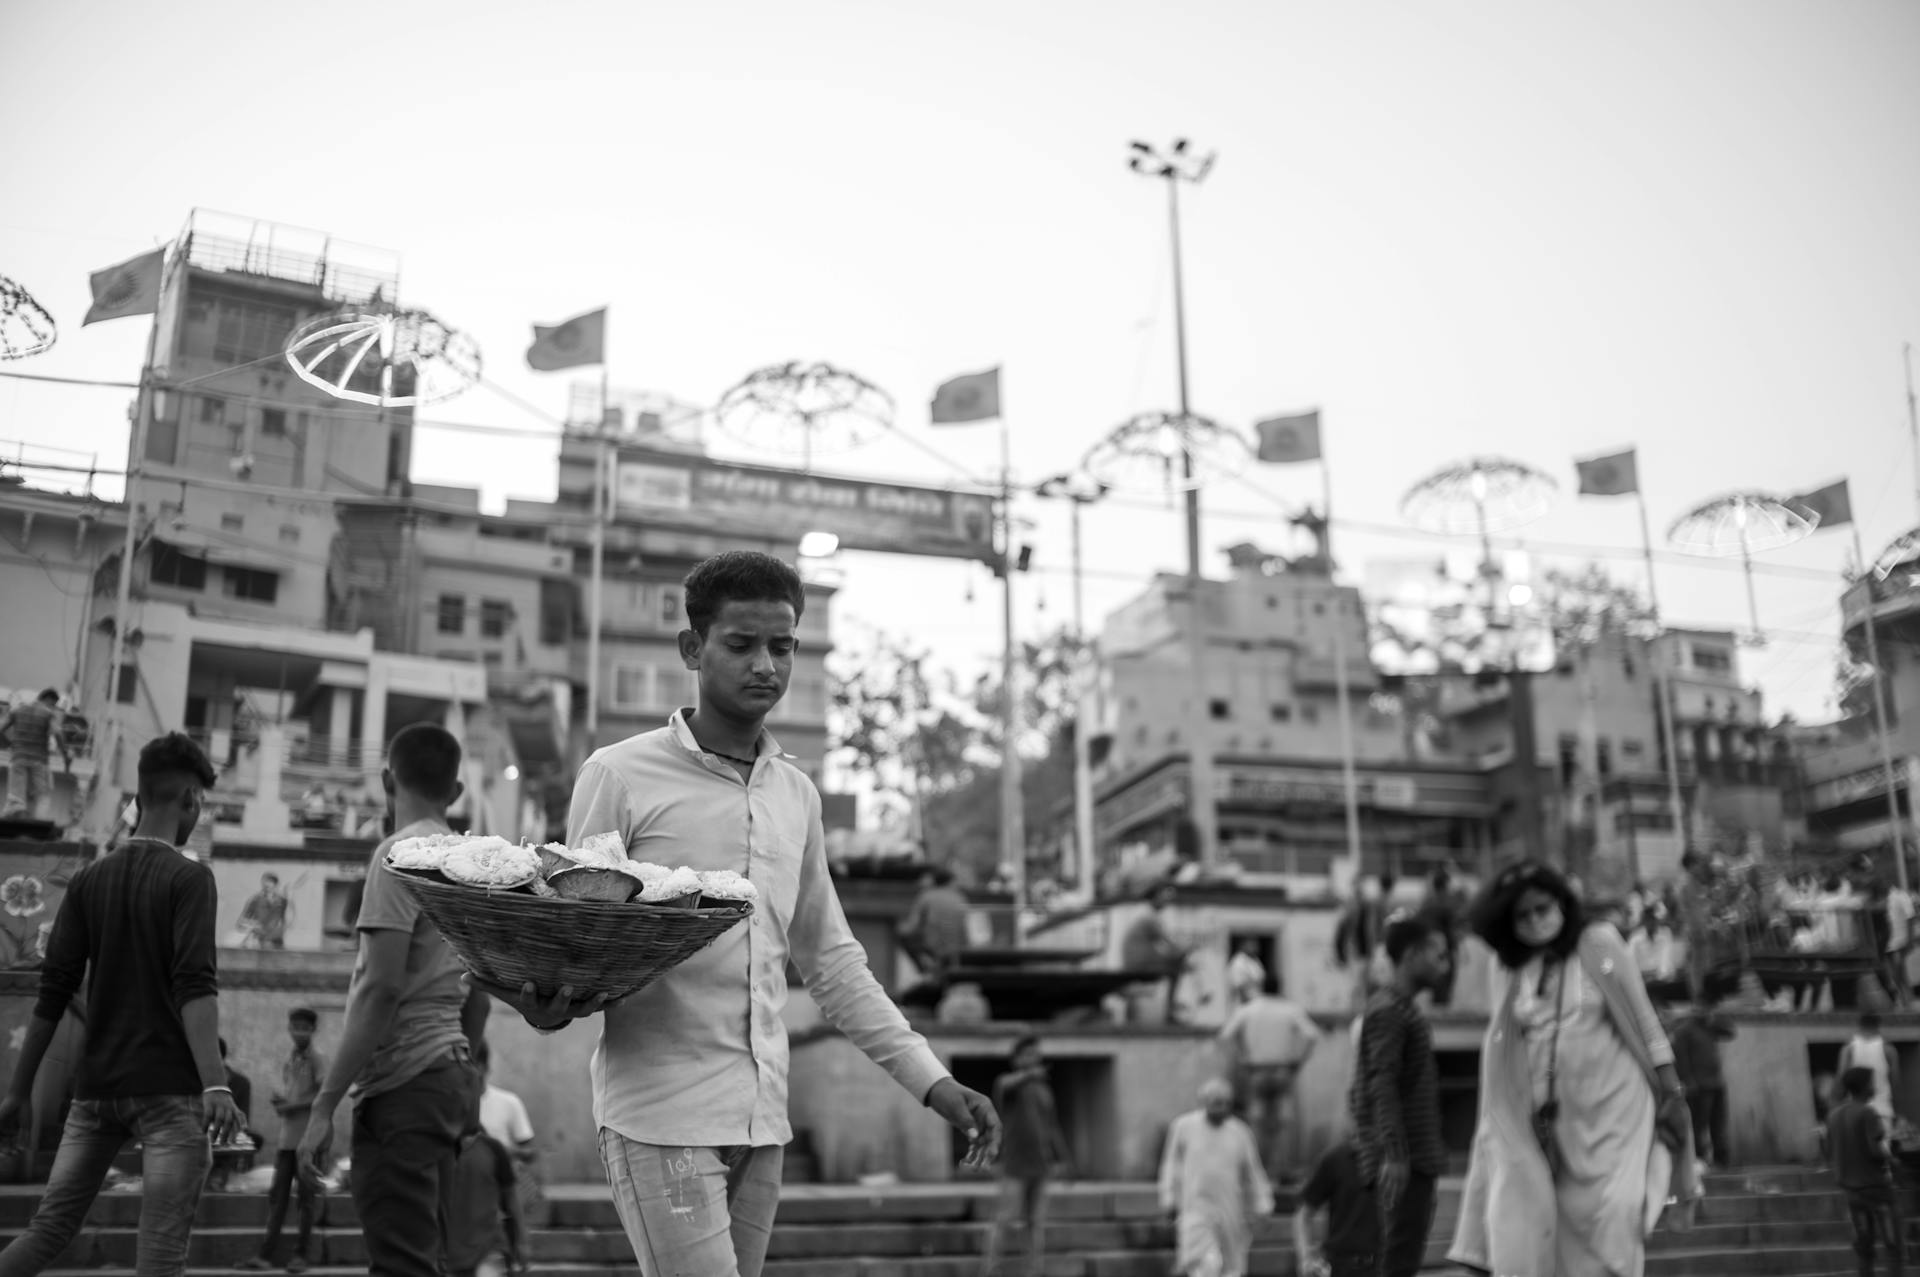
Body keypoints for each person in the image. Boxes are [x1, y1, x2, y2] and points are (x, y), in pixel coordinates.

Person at [479, 552, 1000, 1277]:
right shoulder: (619, 774)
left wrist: (932, 1080)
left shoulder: (797, 796)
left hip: (762, 1118)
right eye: (741, 643)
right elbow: (577, 937)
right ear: (692, 648)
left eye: (782, 646)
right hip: (658, 1114)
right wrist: (546, 1001)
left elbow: (834, 963)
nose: (765, 665)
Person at [0, 732, 244, 1277]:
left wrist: (17, 1092)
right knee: (159, 1258)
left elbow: (53, 990)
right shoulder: (190, 878)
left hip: (96, 1092)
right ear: (188, 799)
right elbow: (194, 985)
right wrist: (216, 1083)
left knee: (46, 1232)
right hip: (170, 1094)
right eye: (199, 804)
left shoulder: (88, 881)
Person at [295, 723, 492, 1277]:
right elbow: (478, 990)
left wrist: (322, 1105)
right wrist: (466, 1069)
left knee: (401, 1265)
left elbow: (379, 989)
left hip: (403, 1085)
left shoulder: (398, 855)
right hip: (449, 1075)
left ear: (387, 779)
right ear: (454, 793)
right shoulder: (471, 862)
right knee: (429, 1258)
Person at [1449, 859, 1696, 1277]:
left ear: (1562, 903)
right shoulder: (1506, 967)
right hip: (1552, 1127)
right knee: (1553, 1238)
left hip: (1617, 1112)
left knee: (1618, 1216)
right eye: (1522, 916)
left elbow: (1643, 1017)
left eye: (1541, 909)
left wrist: (1673, 1092)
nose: (1534, 921)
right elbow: (1501, 1045)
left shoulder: (1599, 942)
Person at [1350, 913, 1450, 1277]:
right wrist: (1393, 1153)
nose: (1445, 963)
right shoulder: (1389, 1010)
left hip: (1414, 1158)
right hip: (1401, 1164)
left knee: (1402, 1261)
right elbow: (1381, 1083)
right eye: (1437, 954)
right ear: (1411, 955)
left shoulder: (1404, 1008)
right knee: (1397, 1263)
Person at [237, 1009, 326, 1273]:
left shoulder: (318, 1059)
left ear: (312, 1030)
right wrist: (283, 1104)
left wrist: (290, 1106)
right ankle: (265, 1255)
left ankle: (301, 1256)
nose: (299, 1032)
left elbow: (322, 1097)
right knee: (278, 1198)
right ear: (289, 1028)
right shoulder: (290, 1059)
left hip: (309, 1141)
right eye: (295, 1026)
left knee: (306, 1200)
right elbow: (293, 1096)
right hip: (287, 1140)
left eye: (304, 1027)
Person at [1158, 1078, 1274, 1277]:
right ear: (1204, 1102)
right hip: (1195, 1207)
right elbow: (1171, 1165)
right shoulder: (1184, 1127)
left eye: (1224, 1104)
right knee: (1204, 1264)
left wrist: (1263, 1204)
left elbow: (1253, 1171)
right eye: (1215, 1103)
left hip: (1229, 1208)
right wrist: (1168, 1198)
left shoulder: (1240, 1132)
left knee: (1232, 1267)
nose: (1220, 1109)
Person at [979, 1034, 1071, 1277]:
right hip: (1014, 1164)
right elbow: (1006, 1087)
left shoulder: (1043, 1089)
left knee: (1035, 1223)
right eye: (1028, 1054)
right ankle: (990, 1270)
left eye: (1036, 1053)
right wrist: (1031, 1073)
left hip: (1041, 1165)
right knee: (1005, 1220)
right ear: (1016, 1058)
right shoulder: (1008, 1083)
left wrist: (1061, 1157)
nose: (1035, 1059)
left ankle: (1033, 1271)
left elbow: (1051, 1126)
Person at [1217, 977, 1322, 1185]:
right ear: (1280, 988)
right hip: (1283, 1070)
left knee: (1257, 1120)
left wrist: (1242, 1057)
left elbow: (1225, 1036)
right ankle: (1283, 1171)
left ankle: (1257, 1171)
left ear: (1261, 988)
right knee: (1283, 1122)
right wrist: (1299, 1060)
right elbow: (1312, 1035)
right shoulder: (1290, 1009)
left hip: (1256, 1070)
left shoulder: (1249, 1009)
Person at [1828, 1065, 1906, 1277]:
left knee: (1865, 1252)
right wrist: (1895, 1160)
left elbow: (1832, 1151)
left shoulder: (1834, 1115)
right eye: (1872, 1082)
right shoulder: (1868, 1112)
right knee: (1894, 1249)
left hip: (1851, 1193)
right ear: (1864, 1087)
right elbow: (1876, 1150)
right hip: (1877, 1190)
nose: (1874, 1086)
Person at [475, 1041, 544, 1228]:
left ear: (483, 1067)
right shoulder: (452, 1104)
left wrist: (502, 1151)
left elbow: (530, 1153)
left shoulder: (508, 1102)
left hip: (504, 1183)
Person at [445, 1131, 528, 1277]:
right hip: (447, 1255)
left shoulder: (492, 1148)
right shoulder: (434, 1150)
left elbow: (512, 1198)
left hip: (489, 1249)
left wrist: (522, 1242)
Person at [1292, 1140, 1377, 1277]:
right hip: (1343, 1267)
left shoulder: (1398, 1161)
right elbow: (1303, 1215)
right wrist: (1305, 1259)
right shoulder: (1336, 1159)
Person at [1671, 996, 1736, 1169]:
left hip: (1716, 1083)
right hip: (1699, 1086)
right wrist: (1688, 1081)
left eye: (1707, 1008)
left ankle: (1722, 1160)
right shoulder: (1684, 1030)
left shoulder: (1710, 1027)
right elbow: (1681, 1058)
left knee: (1718, 1124)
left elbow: (1730, 1032)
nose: (1703, 1011)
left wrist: (1715, 1019)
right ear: (1694, 1008)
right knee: (1699, 1125)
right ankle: (1698, 1160)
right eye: (1700, 1008)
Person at [1123, 883, 1191, 1024]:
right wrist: (1183, 951)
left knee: (1177, 964)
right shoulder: (1149, 915)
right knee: (1176, 967)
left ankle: (1170, 1009)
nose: (1167, 902)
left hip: (1139, 958)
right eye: (1165, 897)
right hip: (1139, 960)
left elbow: (1163, 944)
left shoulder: (1147, 913)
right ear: (1156, 895)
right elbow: (1167, 941)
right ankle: (1169, 1011)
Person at [0, 689, 70, 821]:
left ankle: (16, 818)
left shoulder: (17, 710)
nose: (53, 707)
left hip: (18, 758)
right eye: (53, 704)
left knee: (17, 797)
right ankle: (37, 824)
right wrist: (65, 755)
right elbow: (58, 733)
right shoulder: (48, 714)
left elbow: (1, 727)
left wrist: (10, 743)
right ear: (49, 699)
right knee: (41, 795)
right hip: (39, 760)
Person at [899, 865, 970, 984]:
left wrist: (898, 928)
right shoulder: (960, 898)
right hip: (958, 950)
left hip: (934, 948)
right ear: (951, 881)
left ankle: (926, 969)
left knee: (905, 936)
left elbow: (911, 927)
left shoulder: (927, 896)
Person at [1840, 1012, 1902, 1128]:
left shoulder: (1848, 1049)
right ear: (1878, 1026)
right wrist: (1897, 1110)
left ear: (1859, 1025)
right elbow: (1895, 1083)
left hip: (1855, 1111)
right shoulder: (1889, 1049)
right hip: (1882, 1110)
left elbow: (1841, 1079)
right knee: (1881, 1144)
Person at [238, 873, 290, 949]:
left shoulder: (282, 901)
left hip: (276, 941)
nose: (267, 885)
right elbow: (241, 922)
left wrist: (290, 897)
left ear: (275, 885)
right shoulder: (255, 900)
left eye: (270, 882)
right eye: (265, 882)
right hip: (258, 941)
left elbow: (287, 921)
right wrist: (253, 925)